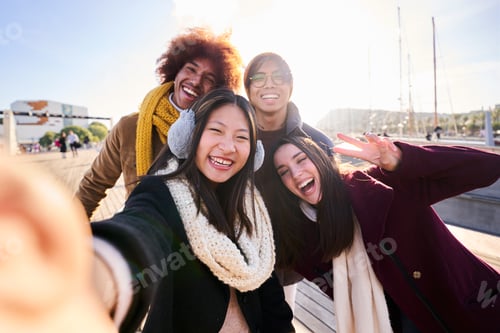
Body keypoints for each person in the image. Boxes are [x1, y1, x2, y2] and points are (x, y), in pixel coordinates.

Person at [0, 88, 294, 333]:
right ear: (189, 136)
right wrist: (90, 275)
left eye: (242, 138)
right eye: (215, 130)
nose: (228, 146)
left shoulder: (252, 207)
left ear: (254, 152)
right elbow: (139, 231)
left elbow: (271, 298)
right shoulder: (160, 194)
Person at [271, 133, 500, 332]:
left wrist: (403, 160)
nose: (295, 173)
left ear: (321, 159)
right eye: (283, 172)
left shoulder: (384, 185)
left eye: (301, 160)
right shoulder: (303, 240)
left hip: (477, 310)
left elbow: (488, 168)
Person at [76, 26, 243, 219]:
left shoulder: (217, 137)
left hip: (199, 243)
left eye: (209, 79)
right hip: (140, 235)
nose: (196, 81)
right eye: (191, 69)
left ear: (217, 91)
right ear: (175, 72)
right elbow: (92, 187)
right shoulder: (129, 128)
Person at [243, 52, 334, 310]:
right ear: (248, 88)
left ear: (290, 86)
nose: (269, 84)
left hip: (292, 264)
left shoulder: (317, 143)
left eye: (279, 76)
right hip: (239, 261)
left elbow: (334, 204)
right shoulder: (234, 139)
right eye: (258, 77)